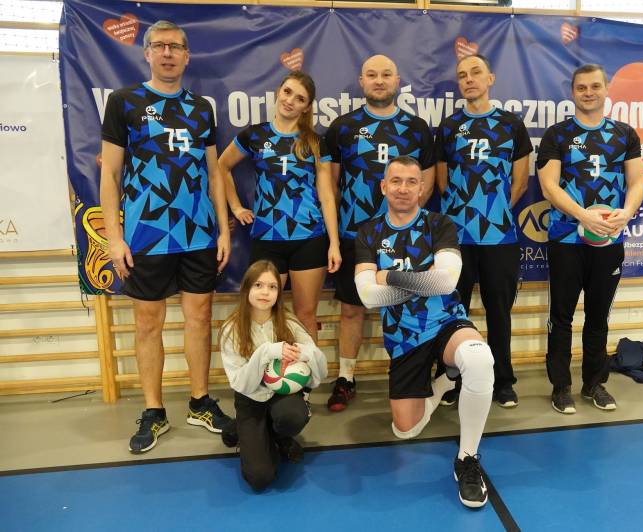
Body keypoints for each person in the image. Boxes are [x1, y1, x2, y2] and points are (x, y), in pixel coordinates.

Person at [99, 20, 232, 453]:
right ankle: (154, 411)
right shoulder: (124, 102)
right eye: (159, 46)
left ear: (187, 56)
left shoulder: (201, 108)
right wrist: (114, 238)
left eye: (176, 46)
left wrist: (223, 229)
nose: (168, 53)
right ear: (147, 53)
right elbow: (110, 174)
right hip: (146, 234)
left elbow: (214, 172)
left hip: (198, 233)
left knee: (200, 318)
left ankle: (200, 402)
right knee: (147, 323)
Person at [354, 156, 494, 508]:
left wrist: (389, 276)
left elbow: (446, 282)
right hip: (404, 338)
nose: (403, 188)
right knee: (406, 429)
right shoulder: (368, 232)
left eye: (411, 182)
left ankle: (467, 459)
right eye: (396, 181)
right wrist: (422, 280)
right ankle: (445, 381)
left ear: (422, 188)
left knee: (479, 359)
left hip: (446, 322)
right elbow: (368, 296)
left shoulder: (440, 224)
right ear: (383, 187)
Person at [324, 55, 435, 412]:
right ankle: (346, 378)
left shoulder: (417, 128)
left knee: (408, 307)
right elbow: (332, 184)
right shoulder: (342, 127)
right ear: (362, 81)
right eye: (372, 75)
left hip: (406, 238)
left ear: (397, 80)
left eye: (386, 74)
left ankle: (409, 379)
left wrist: (403, 222)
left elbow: (427, 182)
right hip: (356, 236)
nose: (379, 80)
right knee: (352, 309)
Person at [536, 64, 643, 414]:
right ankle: (561, 387)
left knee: (598, 317)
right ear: (572, 92)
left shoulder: (624, 134)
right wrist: (583, 216)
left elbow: (637, 182)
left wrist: (627, 212)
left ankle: (594, 384)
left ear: (606, 88)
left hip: (608, 242)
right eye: (581, 87)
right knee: (561, 317)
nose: (588, 93)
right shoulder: (557, 135)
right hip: (566, 241)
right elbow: (549, 186)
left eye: (595, 86)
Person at [435, 54, 533, 408]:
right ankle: (452, 379)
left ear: (490, 78)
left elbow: (520, 183)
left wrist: (492, 213)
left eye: (475, 72)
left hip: (499, 237)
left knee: (498, 311)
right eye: (462, 75)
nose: (469, 79)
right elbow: (442, 182)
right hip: (456, 239)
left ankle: (503, 381)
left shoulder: (511, 125)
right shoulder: (449, 127)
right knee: (453, 311)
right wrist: (464, 215)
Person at [218, 71, 341, 343]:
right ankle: (267, 368)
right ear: (278, 91)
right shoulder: (255, 135)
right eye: (287, 92)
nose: (290, 101)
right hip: (267, 238)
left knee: (305, 314)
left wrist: (334, 243)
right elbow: (221, 166)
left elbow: (327, 196)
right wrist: (236, 207)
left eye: (300, 98)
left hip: (309, 238)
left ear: (306, 107)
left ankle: (305, 370)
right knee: (262, 313)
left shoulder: (315, 142)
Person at [219, 260, 328, 492]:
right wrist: (267, 352)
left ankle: (279, 436)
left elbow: (319, 371)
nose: (265, 292)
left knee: (293, 416)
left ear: (279, 293)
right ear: (246, 288)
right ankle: (241, 427)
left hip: (282, 395)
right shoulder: (231, 329)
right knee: (259, 478)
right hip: (250, 398)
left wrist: (304, 354)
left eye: (272, 287)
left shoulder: (289, 323)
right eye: (258, 285)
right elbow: (241, 383)